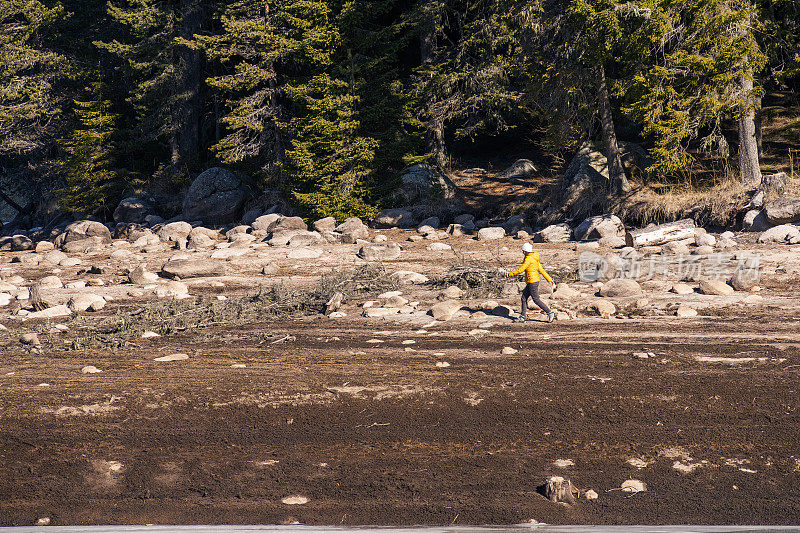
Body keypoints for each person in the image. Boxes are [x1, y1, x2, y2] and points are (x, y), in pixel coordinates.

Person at [507, 242, 555, 323]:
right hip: (532, 281)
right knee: (523, 298)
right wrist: (549, 279)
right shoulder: (535, 258)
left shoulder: (528, 259)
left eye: (523, 251)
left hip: (532, 282)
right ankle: (522, 317)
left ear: (526, 251)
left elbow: (521, 269)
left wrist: (510, 274)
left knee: (536, 300)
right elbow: (542, 270)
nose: (523, 252)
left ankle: (550, 313)